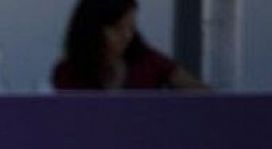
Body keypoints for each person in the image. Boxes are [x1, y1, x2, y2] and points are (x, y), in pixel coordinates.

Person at [52, 0, 205, 91]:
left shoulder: (147, 61)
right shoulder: (68, 72)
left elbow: (201, 93)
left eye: (131, 28)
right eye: (118, 29)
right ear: (94, 29)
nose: (127, 36)